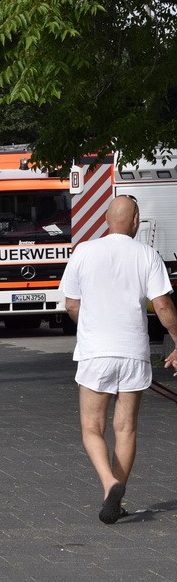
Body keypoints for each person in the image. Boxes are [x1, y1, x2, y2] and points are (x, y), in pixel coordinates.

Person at [59, 195, 177, 524]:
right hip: (133, 352)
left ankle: (110, 484)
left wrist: (93, 325)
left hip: (96, 353)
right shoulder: (147, 255)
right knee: (125, 429)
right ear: (136, 220)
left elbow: (71, 305)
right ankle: (117, 495)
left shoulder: (84, 251)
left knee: (91, 428)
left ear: (107, 220)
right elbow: (164, 307)